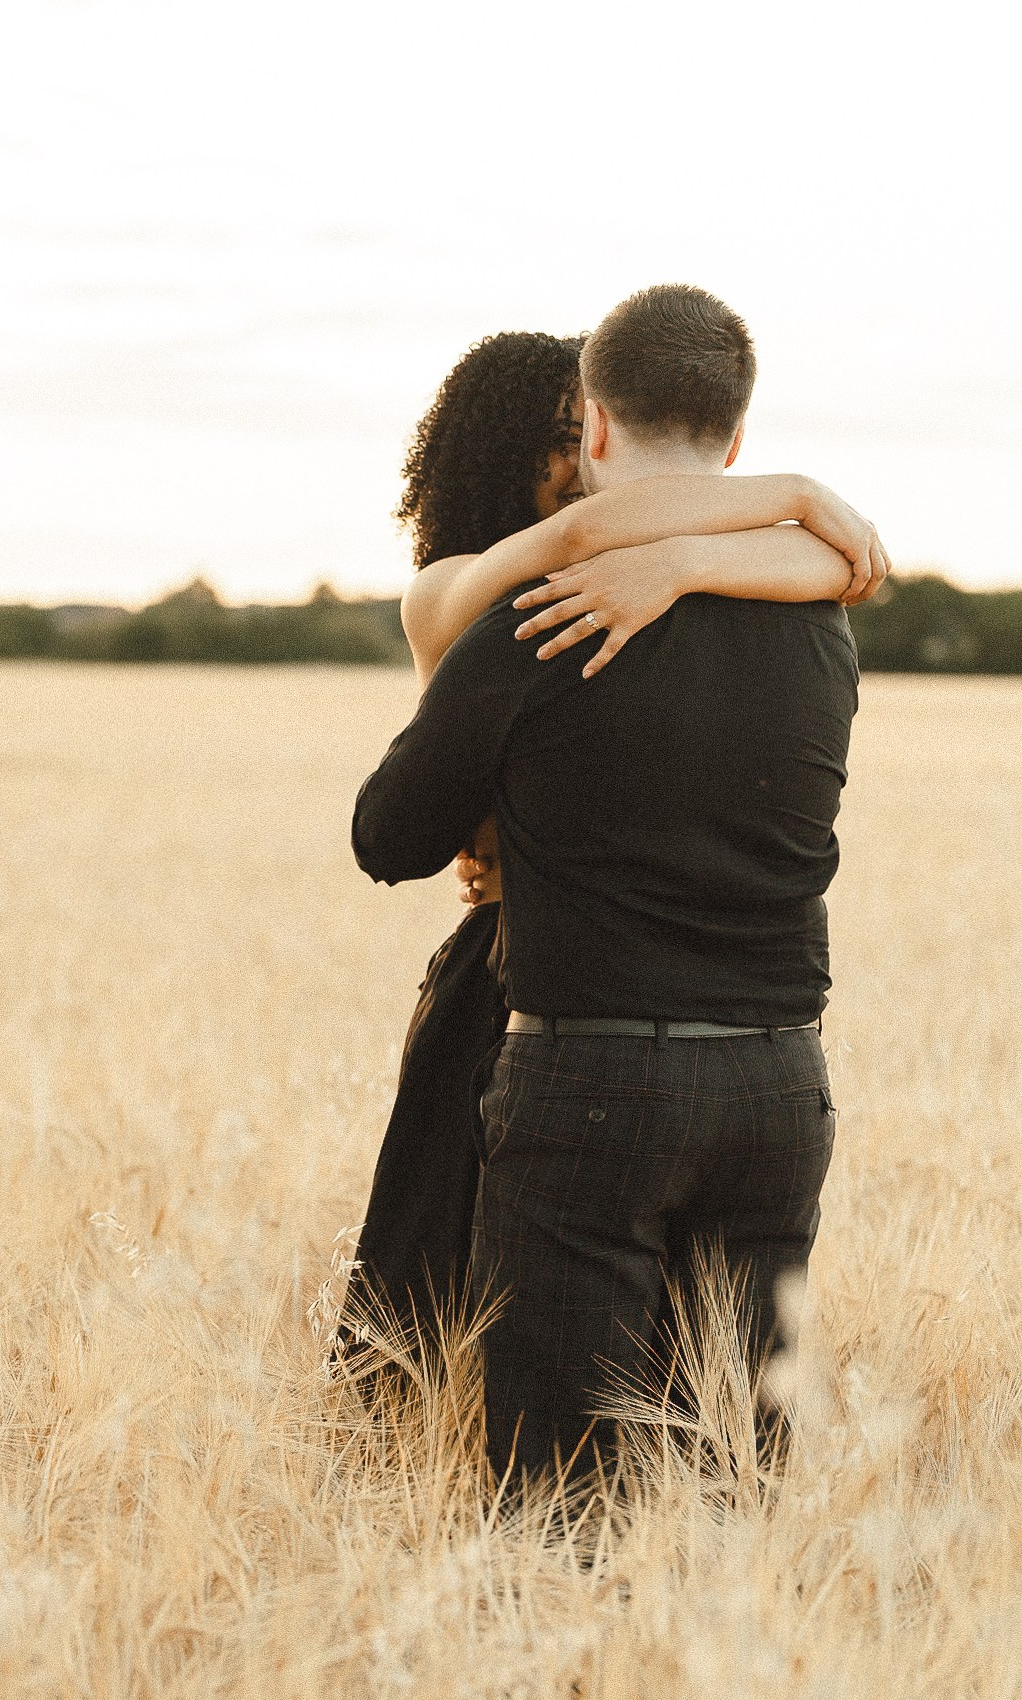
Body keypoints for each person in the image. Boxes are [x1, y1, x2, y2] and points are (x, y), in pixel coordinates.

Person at [348, 286, 863, 1497]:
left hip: (589, 1071)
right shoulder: (813, 614)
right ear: (732, 446)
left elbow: (386, 834)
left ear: (589, 430)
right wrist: (783, 507)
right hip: (780, 1081)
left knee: (556, 1502)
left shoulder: (537, 615)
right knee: (729, 1479)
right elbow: (845, 565)